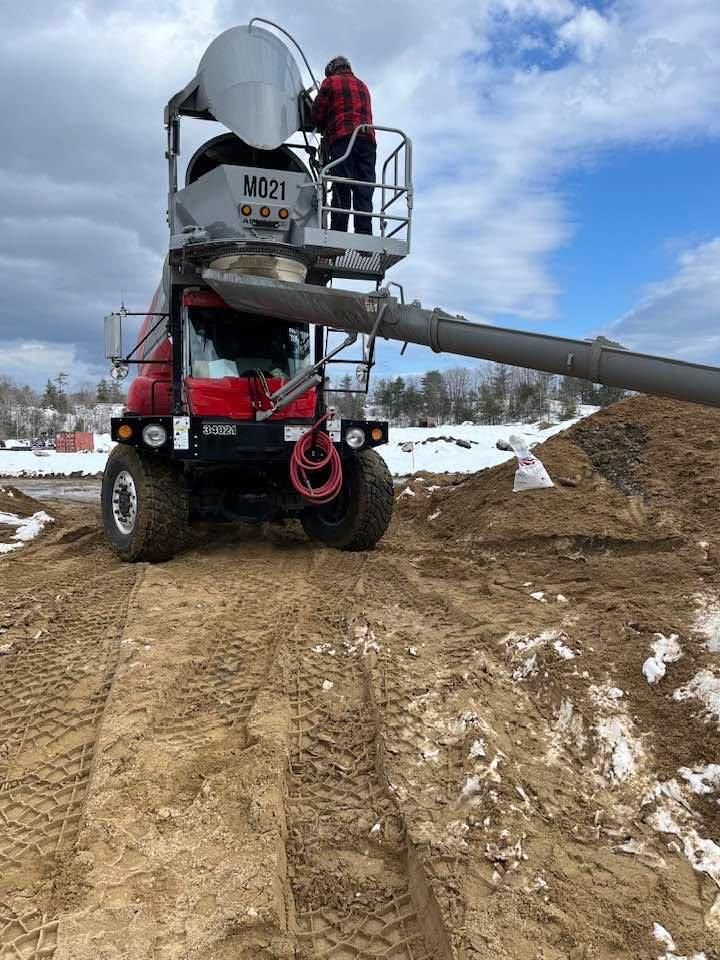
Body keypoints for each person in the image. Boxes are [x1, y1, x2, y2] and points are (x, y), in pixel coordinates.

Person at [311, 56, 376, 235]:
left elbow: (317, 114)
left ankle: (338, 231)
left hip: (343, 138)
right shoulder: (363, 85)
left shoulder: (330, 82)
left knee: (342, 185)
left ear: (332, 69)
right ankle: (364, 234)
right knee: (364, 187)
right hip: (368, 140)